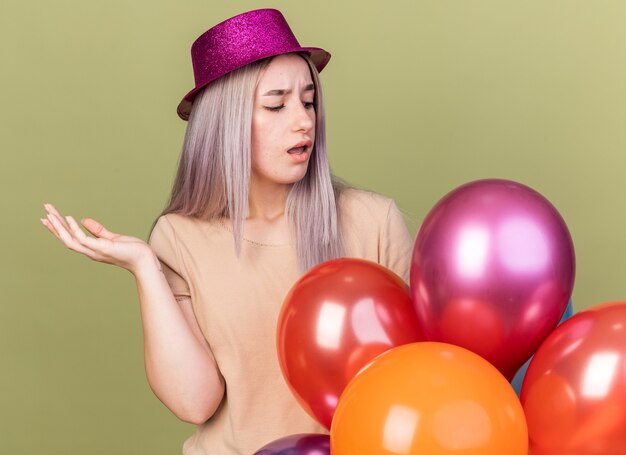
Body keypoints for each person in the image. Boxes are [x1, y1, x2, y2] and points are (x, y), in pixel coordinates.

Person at [41, 8, 413, 455]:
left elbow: (414, 385)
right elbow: (196, 402)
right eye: (276, 104)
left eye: (309, 100)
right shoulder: (178, 239)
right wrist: (145, 268)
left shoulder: (374, 222)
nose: (304, 121)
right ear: (226, 124)